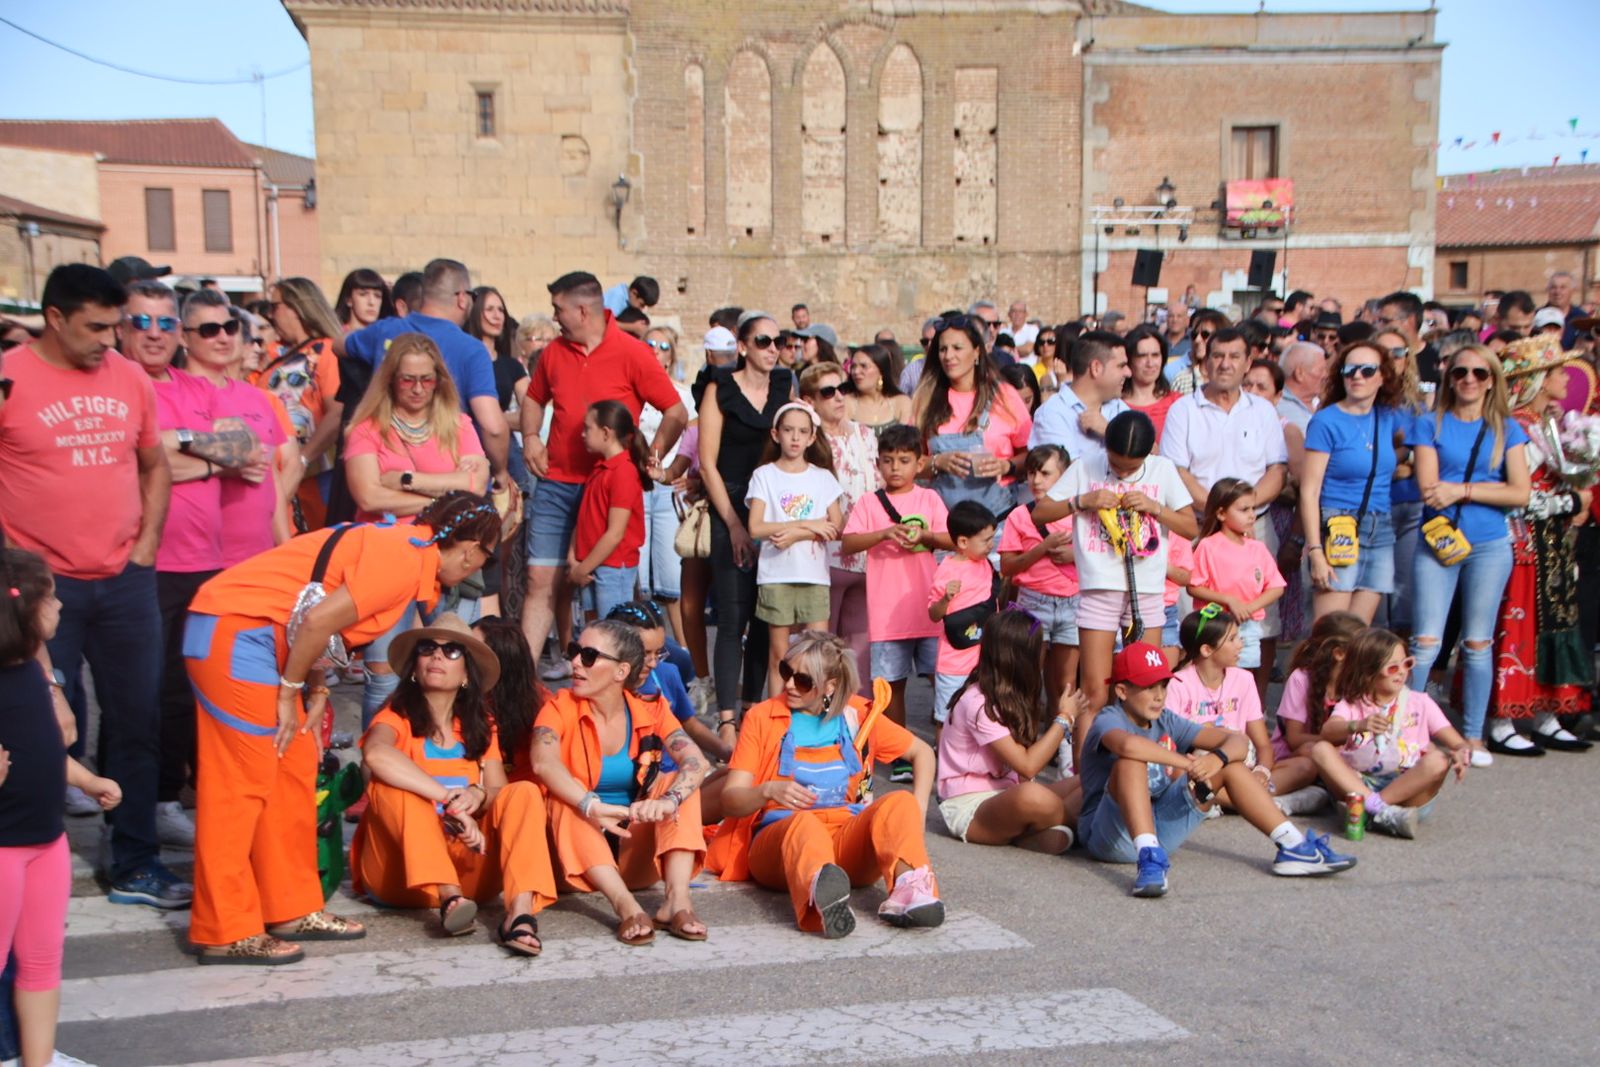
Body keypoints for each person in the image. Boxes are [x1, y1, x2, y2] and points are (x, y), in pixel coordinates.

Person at [183, 491, 501, 963]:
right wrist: (291, 692)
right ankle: (223, 928)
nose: (475, 572)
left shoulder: (406, 550)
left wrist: (316, 691)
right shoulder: (400, 560)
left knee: (293, 769)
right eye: (482, 561)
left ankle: (289, 906)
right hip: (235, 635)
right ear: (472, 550)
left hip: (265, 641)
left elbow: (313, 619)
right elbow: (315, 620)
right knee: (240, 785)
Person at [0, 264, 183, 909]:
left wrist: (146, 545)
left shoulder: (129, 378)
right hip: (41, 589)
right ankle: (27, 856)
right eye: (98, 327)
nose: (114, 339)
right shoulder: (10, 379)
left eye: (120, 325)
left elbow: (154, 464)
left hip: (125, 580)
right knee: (43, 721)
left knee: (137, 721)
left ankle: (133, 860)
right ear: (55, 318)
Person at [120, 280, 259, 848]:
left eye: (164, 323)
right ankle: (143, 807)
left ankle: (182, 793)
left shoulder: (189, 384)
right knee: (145, 692)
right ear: (122, 328)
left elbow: (243, 447)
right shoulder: (121, 382)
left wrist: (182, 449)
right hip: (149, 559)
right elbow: (138, 464)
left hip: (210, 560)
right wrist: (197, 457)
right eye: (140, 323)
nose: (154, 334)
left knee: (196, 684)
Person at [1077, 642, 1356, 897]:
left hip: (1160, 825)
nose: (1159, 696)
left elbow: (1237, 740)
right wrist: (1189, 763)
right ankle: (1148, 858)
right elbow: (1128, 746)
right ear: (1122, 691)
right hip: (1109, 836)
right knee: (1130, 763)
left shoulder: (1167, 719)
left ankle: (1294, 846)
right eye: (1149, 687)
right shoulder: (1108, 718)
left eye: (1163, 686)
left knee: (1231, 767)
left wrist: (1217, 759)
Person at [708, 631, 940, 937]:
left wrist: (917, 811)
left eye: (803, 680)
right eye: (786, 672)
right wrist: (767, 791)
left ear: (830, 685)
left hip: (846, 837)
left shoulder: (858, 714)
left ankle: (909, 890)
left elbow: (922, 753)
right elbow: (731, 799)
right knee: (803, 823)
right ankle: (822, 893)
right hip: (780, 840)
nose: (789, 684)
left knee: (900, 802)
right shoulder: (762, 717)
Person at [351, 614, 556, 956]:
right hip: (400, 875)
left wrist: (477, 794)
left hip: (470, 869)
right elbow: (375, 755)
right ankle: (448, 897)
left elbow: (498, 792)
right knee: (393, 788)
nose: (437, 656)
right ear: (414, 667)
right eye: (428, 648)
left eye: (452, 652)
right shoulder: (394, 716)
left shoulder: (480, 725)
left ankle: (519, 915)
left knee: (524, 792)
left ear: (466, 675)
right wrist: (447, 800)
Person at [520, 271, 686, 693]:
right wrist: (531, 440)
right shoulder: (555, 352)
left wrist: (654, 454)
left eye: (559, 310)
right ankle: (520, 681)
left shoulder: (632, 352)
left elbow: (675, 410)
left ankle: (619, 682)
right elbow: (534, 399)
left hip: (609, 484)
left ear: (582, 310)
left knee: (612, 591)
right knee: (540, 580)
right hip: (557, 481)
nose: (554, 318)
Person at [0, 549, 122, 1067]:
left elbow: (47, 746)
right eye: (50, 596)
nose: (60, 604)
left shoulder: (31, 670)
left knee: (43, 963)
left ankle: (37, 1061)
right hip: (3, 851)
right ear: (22, 609)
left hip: (46, 844)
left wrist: (87, 777)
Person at [530, 620, 710, 945]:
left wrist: (668, 801)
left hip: (631, 846)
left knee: (679, 786)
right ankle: (626, 906)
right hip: (576, 859)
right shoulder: (558, 706)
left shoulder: (652, 709)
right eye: (574, 652)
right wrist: (591, 804)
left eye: (588, 655)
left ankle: (677, 901)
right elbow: (543, 762)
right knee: (562, 797)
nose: (574, 662)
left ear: (620, 671)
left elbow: (696, 762)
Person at [1033, 411, 1197, 728]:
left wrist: (1156, 508)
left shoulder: (1162, 470)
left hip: (1147, 590)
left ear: (1148, 454)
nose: (1121, 472)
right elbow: (1041, 513)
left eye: (1131, 467)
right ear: (1105, 447)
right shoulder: (1086, 465)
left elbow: (1190, 527)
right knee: (1095, 692)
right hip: (1099, 589)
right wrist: (1082, 500)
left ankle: (1139, 765)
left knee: (1145, 686)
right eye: (1115, 463)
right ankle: (1086, 774)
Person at [1405, 344, 1528, 764]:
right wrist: (1482, 492)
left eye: (1478, 372)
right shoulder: (1430, 423)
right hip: (1439, 539)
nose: (1469, 380)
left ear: (1492, 379)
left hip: (1490, 544)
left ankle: (1473, 735)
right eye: (1460, 372)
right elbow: (1428, 489)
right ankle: (1409, 730)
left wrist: (1463, 489)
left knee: (1478, 643)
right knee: (1425, 642)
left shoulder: (1507, 428)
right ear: (1449, 378)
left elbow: (1521, 492)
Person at [1487, 336, 1595, 753]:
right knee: (1519, 624)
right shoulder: (1515, 425)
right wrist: (1569, 501)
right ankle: (1503, 718)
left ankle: (1546, 712)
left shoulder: (1542, 422)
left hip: (1551, 540)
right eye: (1556, 371)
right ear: (1535, 379)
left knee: (1554, 623)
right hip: (1524, 540)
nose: (1565, 378)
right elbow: (1517, 493)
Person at [699, 311, 794, 745]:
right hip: (731, 504)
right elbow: (708, 463)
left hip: (771, 503)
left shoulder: (783, 384)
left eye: (779, 341)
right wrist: (735, 524)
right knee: (733, 614)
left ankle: (753, 710)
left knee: (766, 612)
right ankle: (725, 719)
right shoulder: (720, 387)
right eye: (763, 341)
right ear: (742, 346)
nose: (772, 348)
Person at [839, 424, 950, 778]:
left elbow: (950, 539)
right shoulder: (870, 502)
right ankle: (902, 753)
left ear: (920, 463)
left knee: (943, 681)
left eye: (904, 460)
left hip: (928, 610)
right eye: (888, 461)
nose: (896, 468)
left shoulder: (929, 499)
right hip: (886, 615)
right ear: (878, 464)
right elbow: (849, 542)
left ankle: (947, 750)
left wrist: (926, 535)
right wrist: (885, 532)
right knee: (890, 687)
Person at [344, 259, 510, 491]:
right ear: (462, 298)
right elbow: (493, 426)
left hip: (381, 463)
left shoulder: (385, 330)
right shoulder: (471, 348)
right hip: (447, 466)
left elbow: (338, 345)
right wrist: (500, 471)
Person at [936, 611, 1082, 852]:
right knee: (1032, 796)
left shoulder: (1014, 694)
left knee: (1090, 782)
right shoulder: (978, 703)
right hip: (969, 806)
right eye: (1040, 648)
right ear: (1021, 658)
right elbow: (1027, 766)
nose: (1045, 654)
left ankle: (1031, 831)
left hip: (1008, 794)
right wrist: (1064, 718)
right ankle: (1075, 822)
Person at [1309, 628, 1471, 839]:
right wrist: (1359, 724)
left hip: (1407, 787)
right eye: (1393, 668)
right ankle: (1382, 812)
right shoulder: (1353, 703)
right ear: (1368, 672)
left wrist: (1461, 754)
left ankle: (1372, 810)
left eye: (1407, 663)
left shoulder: (1420, 702)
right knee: (1321, 749)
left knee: (1439, 759)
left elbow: (1459, 743)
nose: (1402, 672)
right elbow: (1328, 732)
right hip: (1359, 783)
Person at [181, 290, 298, 564]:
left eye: (230, 328)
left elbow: (272, 476)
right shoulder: (174, 393)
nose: (223, 337)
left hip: (260, 555)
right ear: (183, 337)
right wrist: (228, 465)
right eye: (209, 330)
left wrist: (284, 547)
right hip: (200, 560)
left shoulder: (257, 397)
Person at [1165, 606, 1320, 812]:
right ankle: (1261, 804)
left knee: (1305, 766)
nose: (1241, 644)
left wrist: (1262, 771)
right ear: (1206, 650)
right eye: (1232, 639)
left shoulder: (1244, 679)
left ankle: (1222, 800)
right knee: (1176, 773)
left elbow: (1263, 744)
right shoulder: (1178, 684)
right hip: (1203, 767)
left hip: (1243, 766)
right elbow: (1171, 746)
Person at [1299, 341, 1403, 623]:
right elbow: (1309, 491)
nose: (1357, 376)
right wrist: (1315, 551)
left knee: (1358, 636)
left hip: (1380, 526)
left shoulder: (1388, 417)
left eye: (1368, 370)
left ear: (1383, 377)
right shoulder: (1326, 421)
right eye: (1349, 370)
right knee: (1332, 636)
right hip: (1338, 524)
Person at [747, 402, 844, 696]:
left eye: (802, 432)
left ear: (812, 438)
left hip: (814, 575)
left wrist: (794, 534)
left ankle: (814, 712)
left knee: (818, 651)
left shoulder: (823, 477)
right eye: (788, 430)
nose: (795, 437)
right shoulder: (764, 475)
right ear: (776, 434)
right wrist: (809, 525)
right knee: (780, 655)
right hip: (776, 574)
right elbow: (756, 527)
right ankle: (777, 721)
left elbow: (836, 526)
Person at [801, 362, 878, 693]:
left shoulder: (865, 434)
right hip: (824, 553)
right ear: (810, 400)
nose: (838, 397)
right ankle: (815, 713)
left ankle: (853, 719)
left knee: (860, 645)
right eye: (827, 392)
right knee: (821, 645)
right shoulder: (808, 440)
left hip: (866, 551)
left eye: (842, 388)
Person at [915, 315, 1032, 517]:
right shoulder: (925, 399)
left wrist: (1006, 466)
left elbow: (1032, 453)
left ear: (977, 351)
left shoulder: (1004, 395)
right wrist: (937, 463)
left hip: (998, 521)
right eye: (943, 349)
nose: (948, 356)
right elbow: (909, 462)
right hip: (944, 527)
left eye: (957, 348)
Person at [261, 277, 346, 529]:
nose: (270, 315)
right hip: (283, 479)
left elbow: (337, 412)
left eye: (274, 306)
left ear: (297, 307)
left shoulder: (326, 351)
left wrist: (302, 459)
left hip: (313, 481)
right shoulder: (280, 354)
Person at [999, 445, 1079, 710]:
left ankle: (1063, 745)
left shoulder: (1080, 513)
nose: (1036, 480)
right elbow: (1008, 567)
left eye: (1045, 473)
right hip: (1032, 605)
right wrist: (1042, 548)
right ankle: (1027, 740)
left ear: (1065, 475)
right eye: (1032, 473)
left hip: (1074, 603)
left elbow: (1104, 555)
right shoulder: (1019, 515)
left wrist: (1074, 555)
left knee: (1065, 683)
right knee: (1028, 677)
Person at [1187, 478, 1285, 688]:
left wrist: (1250, 607)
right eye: (1244, 509)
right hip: (1215, 625)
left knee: (1243, 678)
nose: (1252, 515)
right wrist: (1228, 600)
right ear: (1221, 513)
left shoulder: (1257, 548)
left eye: (1253, 508)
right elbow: (1193, 586)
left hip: (1248, 625)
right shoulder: (1208, 546)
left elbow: (1276, 586)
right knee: (1213, 676)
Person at [637, 326, 696, 644]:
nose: (656, 350)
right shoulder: (631, 390)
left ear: (671, 354)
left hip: (668, 486)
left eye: (663, 345)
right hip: (635, 483)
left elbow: (694, 439)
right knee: (637, 577)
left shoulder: (682, 394)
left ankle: (685, 652)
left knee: (671, 579)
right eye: (649, 343)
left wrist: (688, 474)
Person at [570, 400, 650, 623]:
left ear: (606, 433)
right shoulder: (600, 469)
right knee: (596, 630)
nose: (583, 434)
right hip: (593, 565)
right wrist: (573, 559)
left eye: (588, 428)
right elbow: (584, 518)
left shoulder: (623, 471)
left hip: (613, 568)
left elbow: (615, 533)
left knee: (614, 632)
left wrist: (582, 568)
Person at [927, 501, 999, 730]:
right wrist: (945, 599)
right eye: (985, 540)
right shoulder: (947, 569)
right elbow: (933, 614)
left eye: (992, 538)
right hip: (954, 662)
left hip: (985, 659)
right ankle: (945, 763)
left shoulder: (987, 563)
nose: (991, 545)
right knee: (947, 718)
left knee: (984, 716)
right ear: (963, 541)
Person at [1272, 610, 1366, 762]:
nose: (1369, 655)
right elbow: (1294, 739)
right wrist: (1332, 737)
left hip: (1338, 754)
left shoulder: (1356, 680)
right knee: (1313, 752)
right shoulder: (1301, 678)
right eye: (1363, 649)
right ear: (1339, 654)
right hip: (1295, 757)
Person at [1029, 330, 1130, 466]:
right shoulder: (1053, 413)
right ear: (1096, 368)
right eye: (1121, 366)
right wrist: (1123, 441)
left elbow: (1153, 454)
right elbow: (1069, 475)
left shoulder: (1118, 406)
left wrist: (1110, 432)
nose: (1128, 373)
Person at [1120, 326, 1176, 438]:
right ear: (1129, 360)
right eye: (1142, 356)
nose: (1150, 363)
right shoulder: (1114, 405)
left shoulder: (1178, 403)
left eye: (1155, 355)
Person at [844, 344, 911, 431]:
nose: (856, 372)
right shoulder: (846, 403)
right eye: (853, 366)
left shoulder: (901, 402)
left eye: (864, 366)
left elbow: (908, 440)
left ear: (881, 370)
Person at [333, 268, 394, 333]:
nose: (371, 302)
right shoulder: (334, 337)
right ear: (349, 300)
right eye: (363, 294)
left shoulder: (388, 337)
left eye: (377, 296)